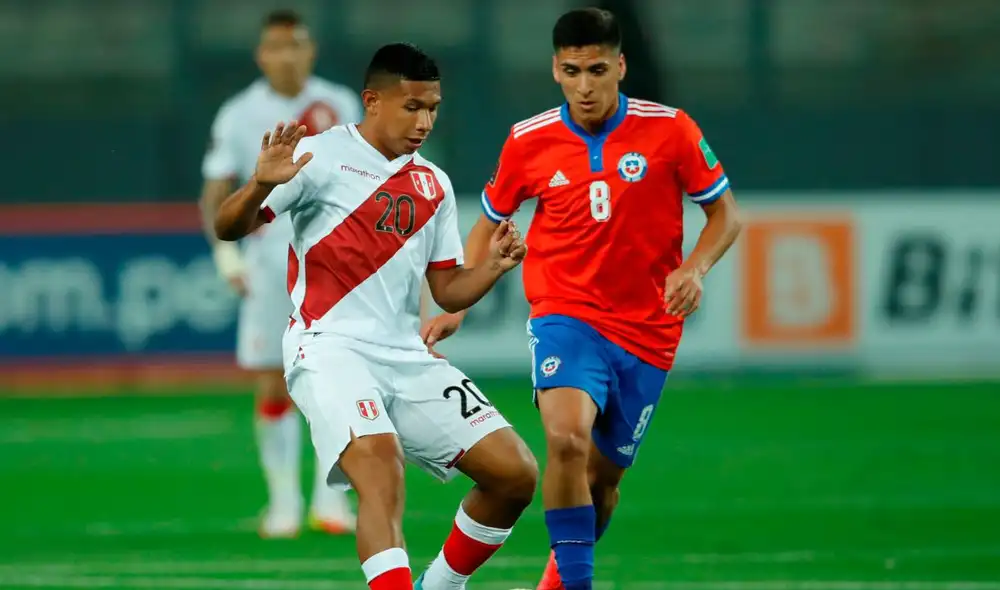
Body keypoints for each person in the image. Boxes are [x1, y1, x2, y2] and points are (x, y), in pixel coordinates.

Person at [420, 8, 744, 590]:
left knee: (603, 483)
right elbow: (489, 221)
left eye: (597, 69)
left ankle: (555, 582)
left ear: (620, 65)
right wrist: (458, 301)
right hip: (564, 315)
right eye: (572, 71)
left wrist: (695, 267)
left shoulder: (671, 130)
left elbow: (724, 213)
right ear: (555, 70)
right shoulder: (528, 140)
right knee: (566, 440)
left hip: (649, 329)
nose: (585, 85)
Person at [213, 43, 539, 590]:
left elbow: (448, 290)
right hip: (328, 347)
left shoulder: (432, 185)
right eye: (412, 106)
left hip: (406, 356)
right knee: (381, 471)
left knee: (515, 475)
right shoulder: (316, 157)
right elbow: (228, 226)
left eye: (433, 107)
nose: (425, 120)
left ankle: (439, 585)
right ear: (372, 101)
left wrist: (494, 269)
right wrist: (261, 184)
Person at [199, 9, 362, 538]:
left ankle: (329, 501)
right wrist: (226, 255)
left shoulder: (340, 102)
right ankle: (284, 502)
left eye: (296, 45)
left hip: (332, 255)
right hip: (270, 258)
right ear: (261, 54)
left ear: (310, 51)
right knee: (274, 377)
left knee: (337, 375)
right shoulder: (238, 113)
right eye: (276, 46)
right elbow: (216, 189)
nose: (286, 55)